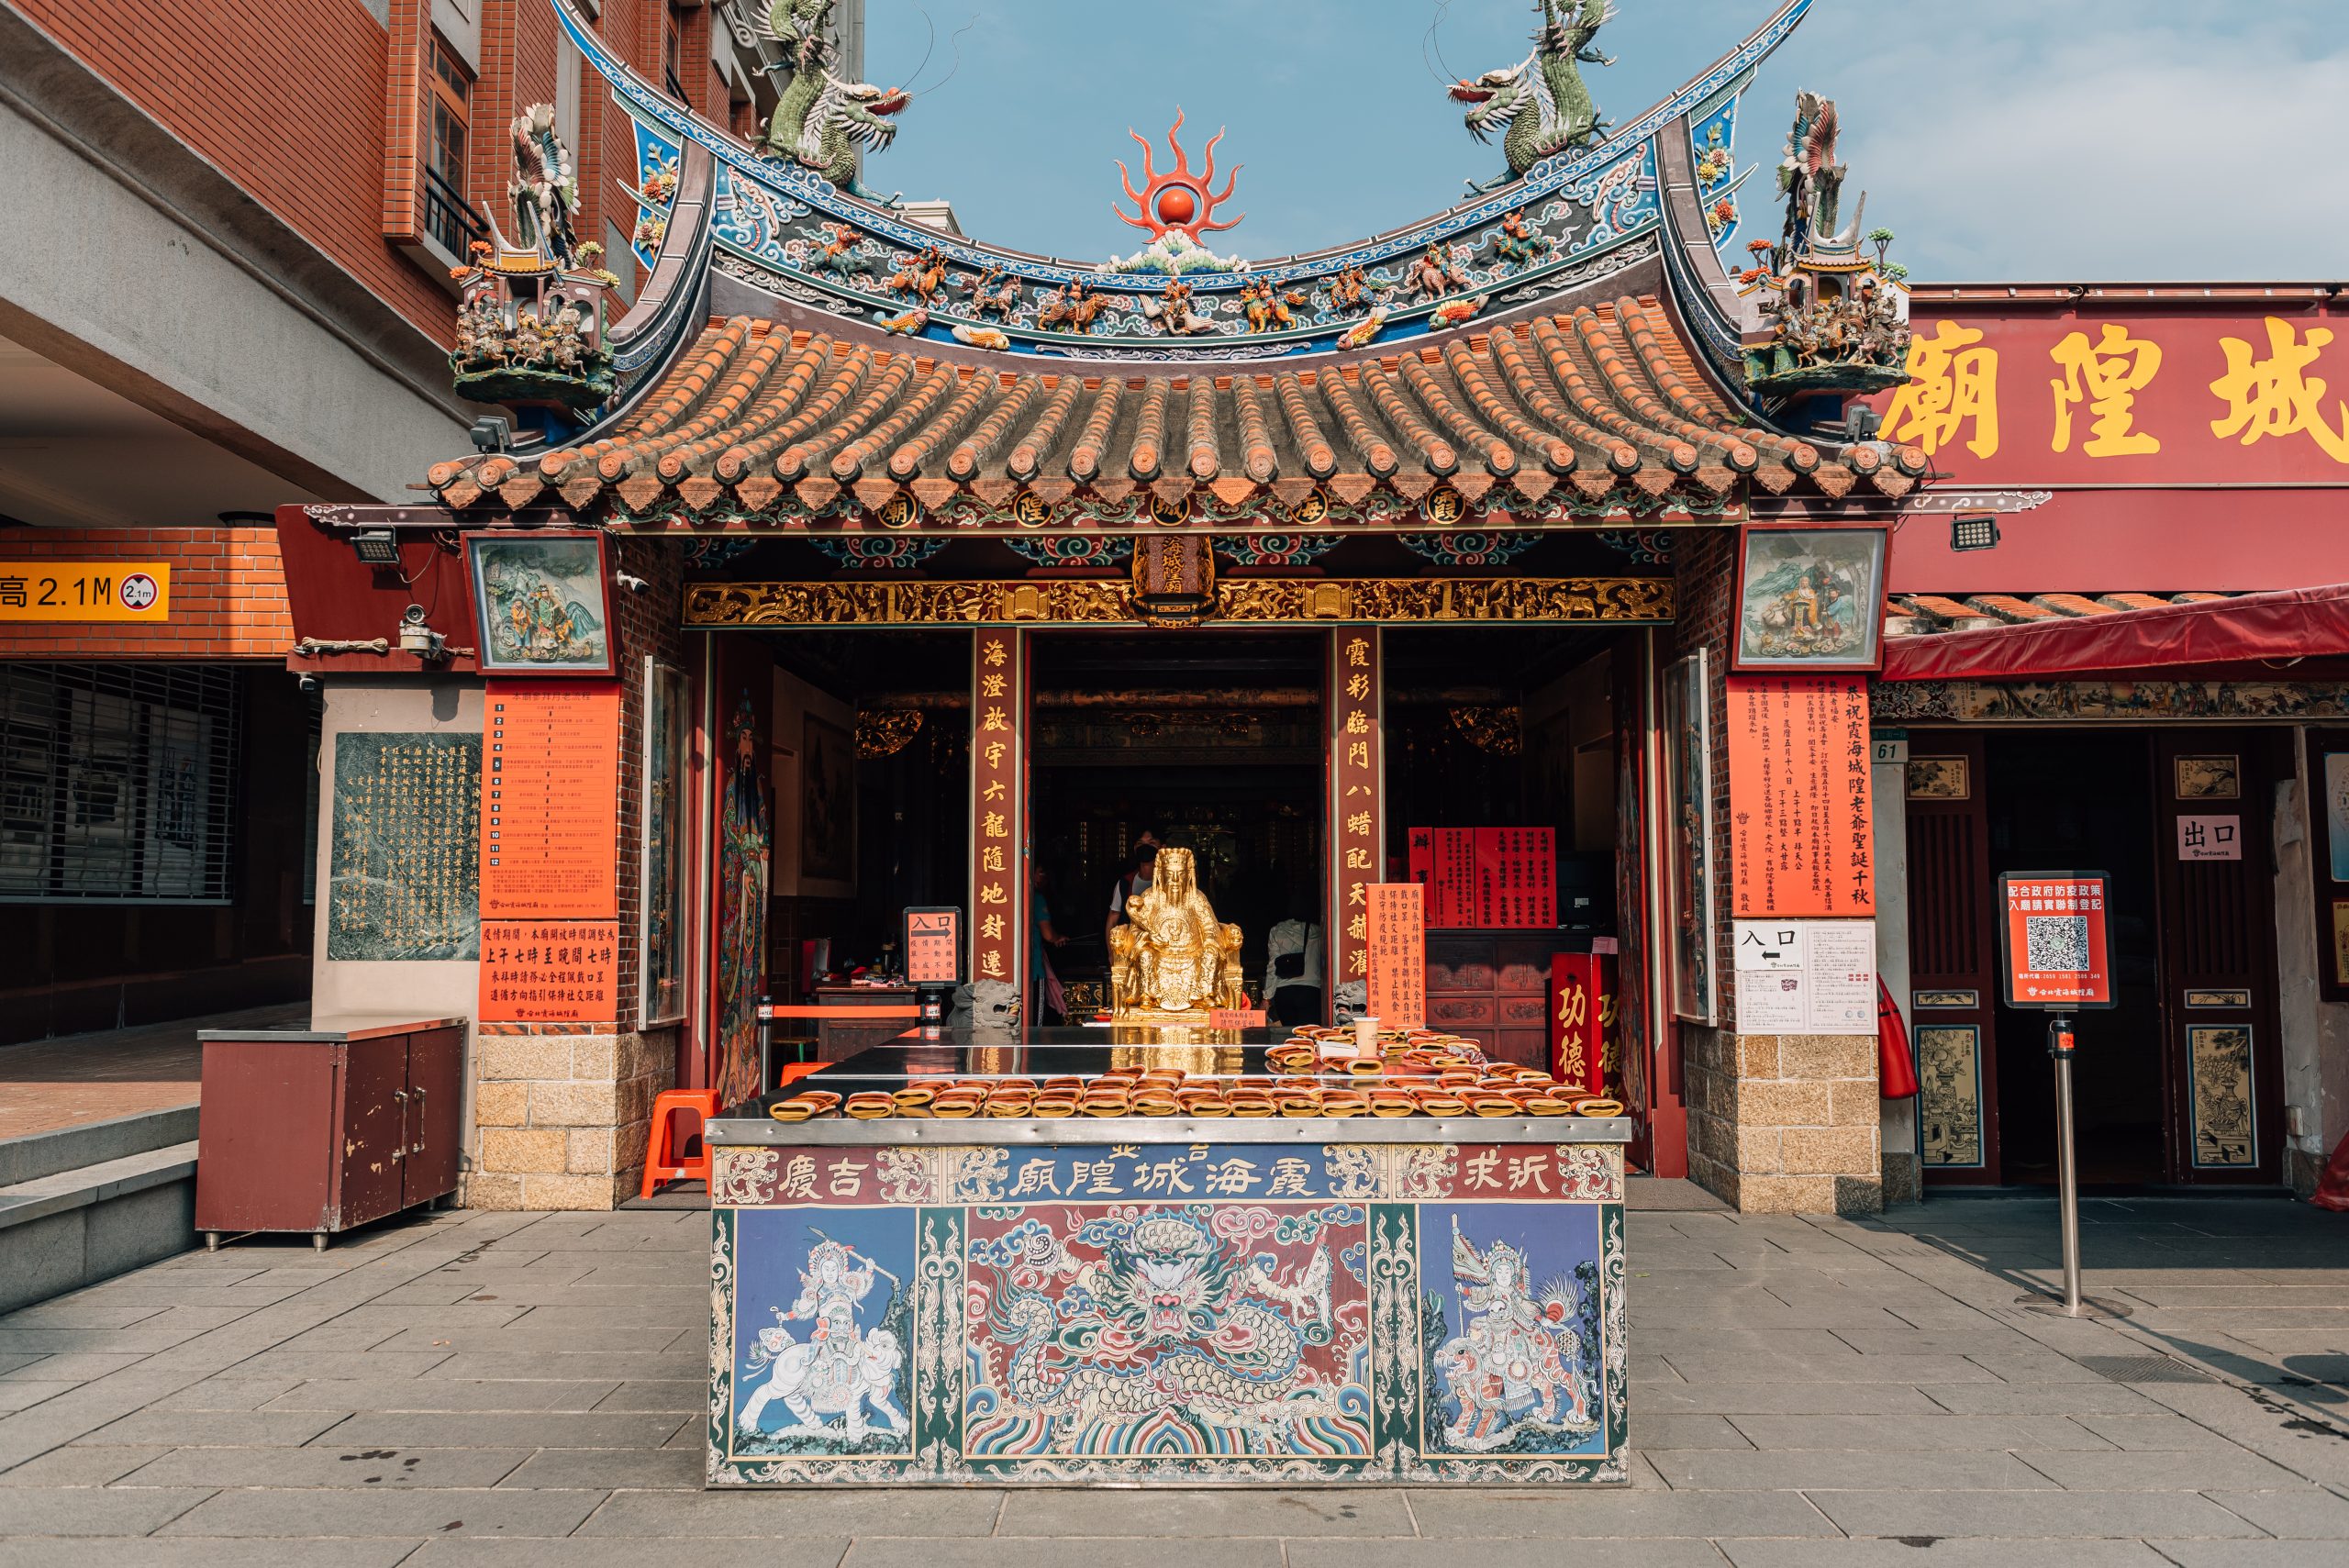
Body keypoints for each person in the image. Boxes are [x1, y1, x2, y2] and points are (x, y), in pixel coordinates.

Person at [1263, 895, 1325, 1027]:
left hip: (1284, 992)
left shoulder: (1276, 931)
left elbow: (1272, 966)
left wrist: (1267, 997)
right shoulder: (1319, 931)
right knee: (1309, 1035)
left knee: (1290, 1034)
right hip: (1311, 990)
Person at [1102, 828, 1163, 951]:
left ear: (1162, 848)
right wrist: (1112, 954)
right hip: (1130, 952)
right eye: (1140, 844)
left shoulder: (1173, 884)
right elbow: (1112, 920)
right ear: (1135, 848)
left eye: (1151, 843)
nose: (1145, 847)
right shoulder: (1125, 883)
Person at [1031, 863, 1069, 1024]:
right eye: (1041, 872)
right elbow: (1047, 934)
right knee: (1035, 1019)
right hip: (1033, 969)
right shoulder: (1036, 898)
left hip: (1016, 970)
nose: (1043, 877)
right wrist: (1057, 938)